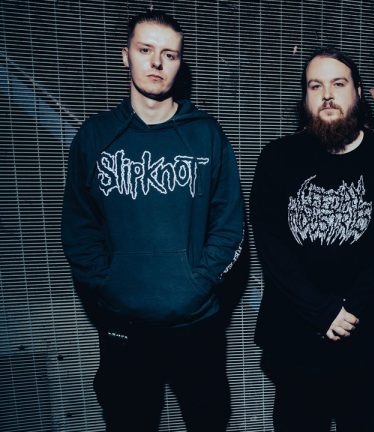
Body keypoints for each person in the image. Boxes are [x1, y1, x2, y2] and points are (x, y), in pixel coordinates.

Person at [61, 10, 243, 431]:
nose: (157, 63)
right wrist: (109, 284)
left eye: (169, 55)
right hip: (124, 327)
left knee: (209, 421)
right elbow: (79, 228)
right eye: (146, 50)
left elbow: (230, 226)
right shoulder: (95, 136)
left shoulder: (206, 134)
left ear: (180, 63)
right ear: (125, 55)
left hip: (197, 326)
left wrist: (199, 281)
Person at [249, 47, 374, 431]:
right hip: (295, 338)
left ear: (358, 92)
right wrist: (322, 310)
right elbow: (272, 246)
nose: (328, 95)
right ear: (305, 98)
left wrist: (351, 309)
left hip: (366, 340)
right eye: (316, 86)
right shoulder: (277, 157)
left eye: (338, 84)